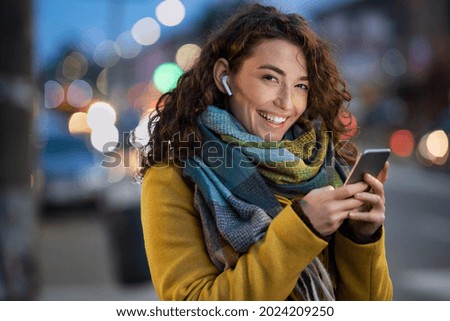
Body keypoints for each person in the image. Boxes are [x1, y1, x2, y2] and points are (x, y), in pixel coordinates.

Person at [137, 4, 393, 301]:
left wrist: (361, 236)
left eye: (300, 86)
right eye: (270, 78)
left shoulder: (325, 167)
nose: (286, 102)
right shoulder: (173, 176)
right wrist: (302, 228)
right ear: (225, 76)